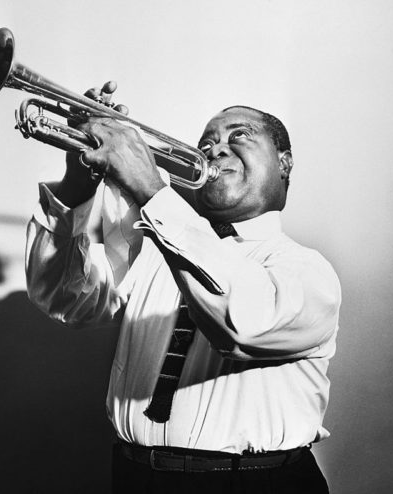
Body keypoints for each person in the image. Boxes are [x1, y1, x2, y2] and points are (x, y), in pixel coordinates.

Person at [25, 82, 341, 494]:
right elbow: (66, 300)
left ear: (284, 163)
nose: (215, 149)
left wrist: (151, 191)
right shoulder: (154, 251)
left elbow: (242, 325)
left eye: (239, 135)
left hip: (257, 485)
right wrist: (77, 185)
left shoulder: (307, 271)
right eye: (206, 142)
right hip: (134, 478)